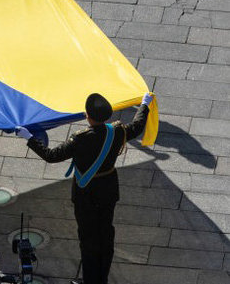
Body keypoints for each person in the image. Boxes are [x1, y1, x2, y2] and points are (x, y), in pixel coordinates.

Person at [15, 92, 153, 284]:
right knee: (105, 237)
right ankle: (101, 279)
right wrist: (144, 104)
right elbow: (137, 126)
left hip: (85, 194)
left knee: (88, 241)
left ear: (88, 115)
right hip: (107, 190)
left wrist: (29, 137)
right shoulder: (117, 132)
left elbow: (51, 155)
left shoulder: (80, 139)